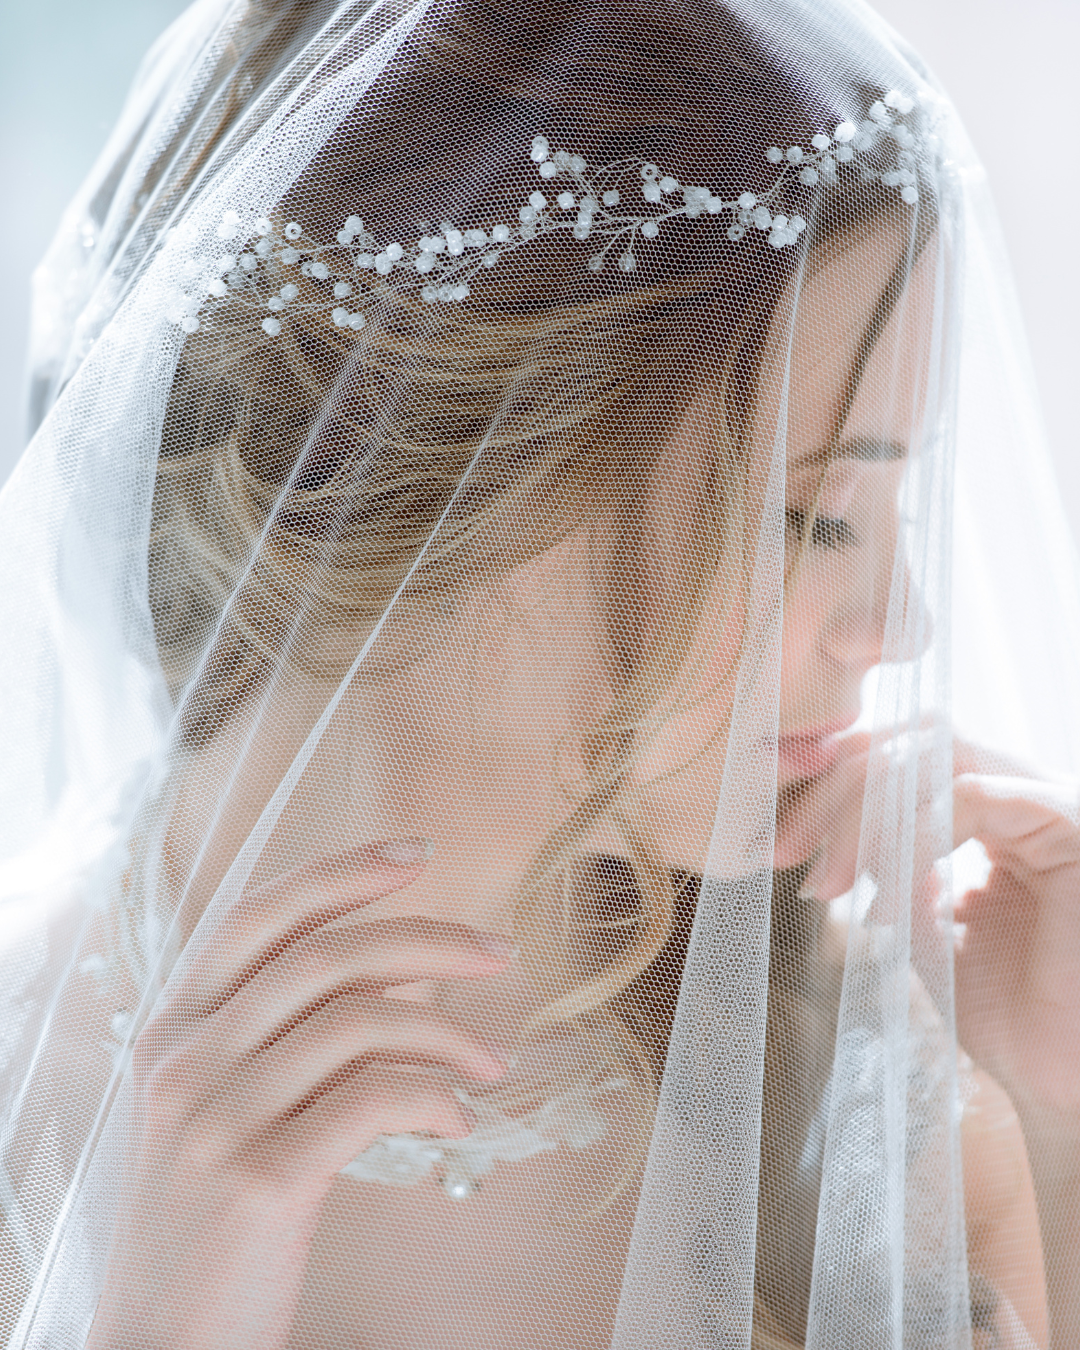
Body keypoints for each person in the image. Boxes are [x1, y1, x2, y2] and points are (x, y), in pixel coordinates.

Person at [0, 1, 1077, 1347]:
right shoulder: (23, 1081)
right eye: (813, 517)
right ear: (452, 471)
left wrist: (1062, 1118)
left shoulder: (877, 1083)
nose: (901, 625)